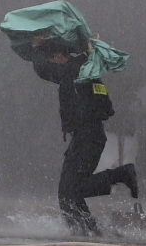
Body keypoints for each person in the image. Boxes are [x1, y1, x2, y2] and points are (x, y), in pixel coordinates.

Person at [22, 33, 139, 235]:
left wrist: (37, 48)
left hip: (88, 137)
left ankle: (120, 176)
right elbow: (106, 107)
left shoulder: (75, 71)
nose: (52, 63)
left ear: (60, 56)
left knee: (69, 192)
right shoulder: (84, 70)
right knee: (70, 192)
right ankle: (88, 230)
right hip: (88, 135)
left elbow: (43, 69)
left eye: (53, 58)